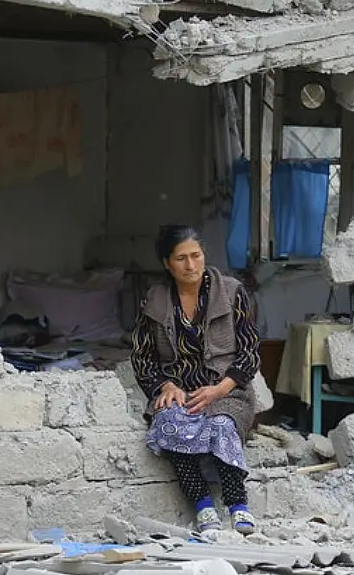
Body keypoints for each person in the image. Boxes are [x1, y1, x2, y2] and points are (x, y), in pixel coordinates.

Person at [131, 224, 261, 535]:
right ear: (166, 263)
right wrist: (165, 386)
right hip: (179, 392)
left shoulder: (232, 293)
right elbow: (142, 357)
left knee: (221, 425)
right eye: (181, 258)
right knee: (168, 422)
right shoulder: (155, 300)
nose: (191, 265)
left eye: (196, 255)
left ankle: (238, 506)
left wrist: (220, 389)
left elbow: (250, 353)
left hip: (227, 391)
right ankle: (202, 506)